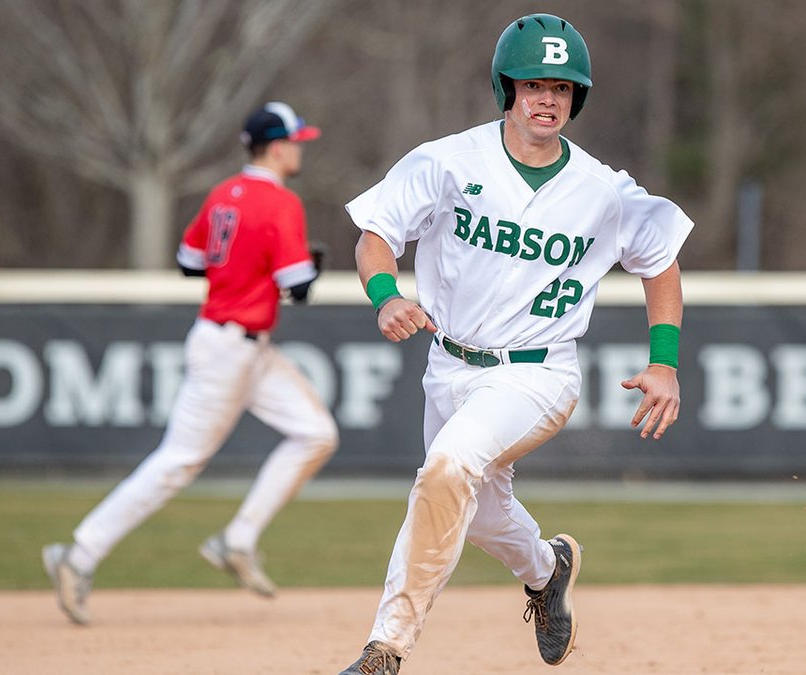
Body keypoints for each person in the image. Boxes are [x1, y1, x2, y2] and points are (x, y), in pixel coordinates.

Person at [338, 13, 693, 674]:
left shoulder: (601, 190)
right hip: (449, 366)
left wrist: (664, 361)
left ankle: (388, 644)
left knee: (448, 467)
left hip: (537, 374)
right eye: (534, 84)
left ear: (575, 99)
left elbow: (661, 259)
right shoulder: (448, 161)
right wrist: (385, 294)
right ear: (508, 89)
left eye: (561, 88)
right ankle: (546, 568)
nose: (547, 99)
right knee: (475, 510)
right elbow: (376, 232)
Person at [42, 101, 339, 625]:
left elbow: (188, 262)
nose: (299, 149)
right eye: (295, 141)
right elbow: (297, 288)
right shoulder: (280, 203)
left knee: (316, 432)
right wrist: (309, 266)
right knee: (178, 461)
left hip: (242, 344)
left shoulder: (225, 192)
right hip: (229, 347)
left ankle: (237, 539)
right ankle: (79, 553)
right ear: (276, 147)